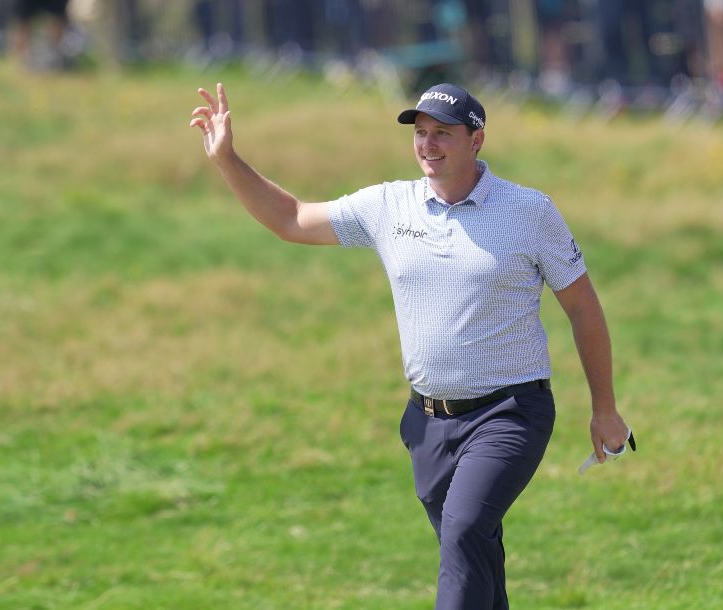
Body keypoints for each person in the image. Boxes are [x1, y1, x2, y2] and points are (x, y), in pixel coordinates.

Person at [189, 82, 632, 609]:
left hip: (511, 412)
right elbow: (291, 219)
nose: (428, 144)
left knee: (464, 531)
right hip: (427, 423)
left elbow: (583, 308)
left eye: (443, 133)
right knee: (472, 552)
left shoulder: (529, 212)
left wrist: (604, 409)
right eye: (421, 133)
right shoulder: (389, 206)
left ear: (476, 140)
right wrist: (228, 159)